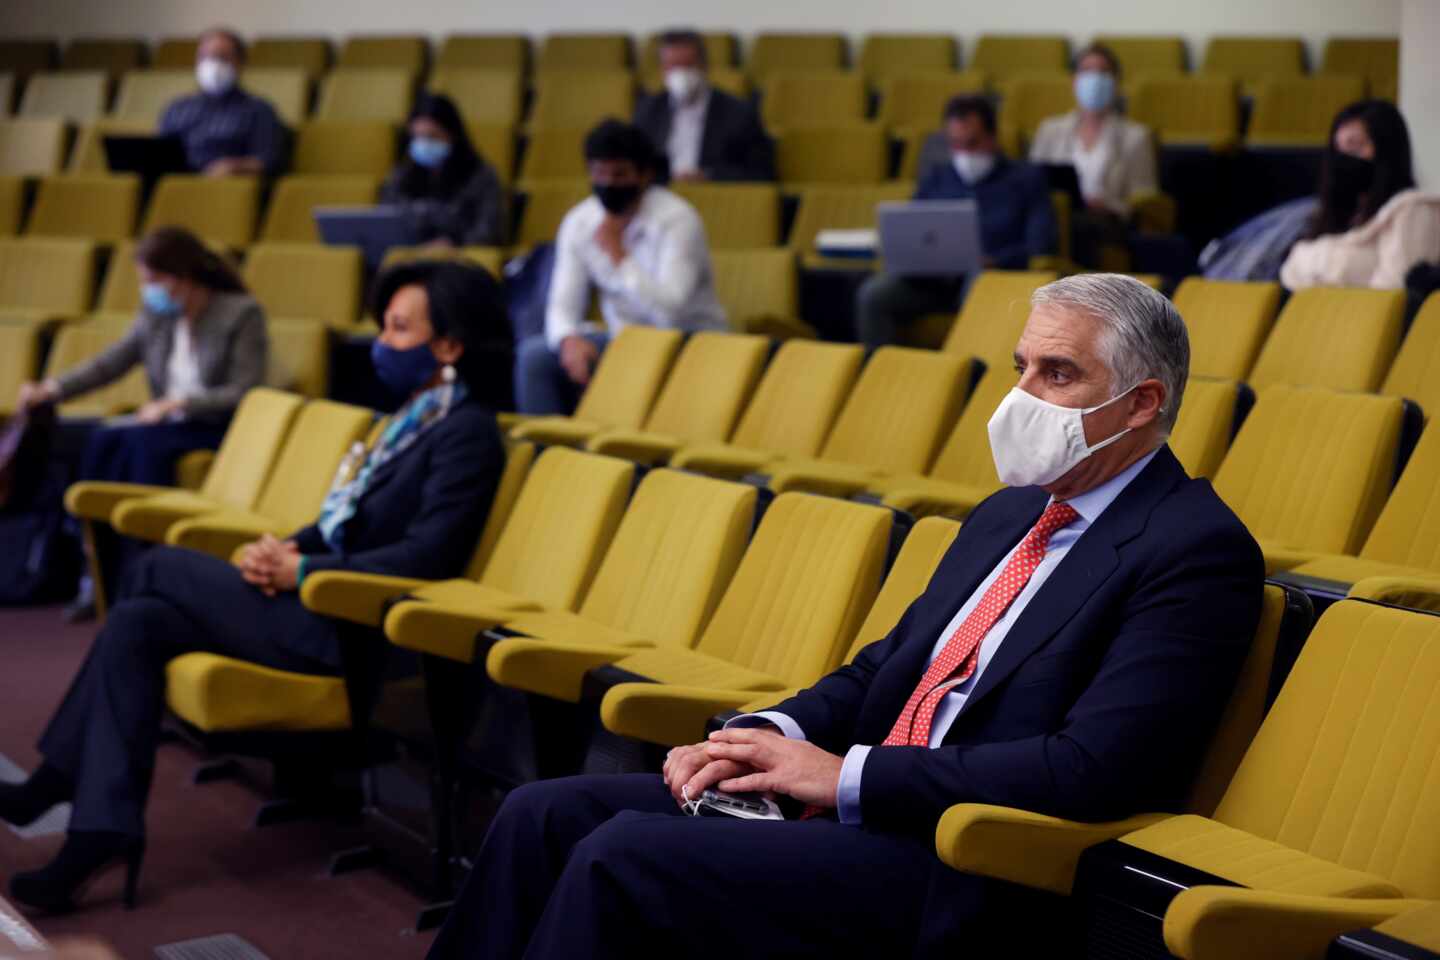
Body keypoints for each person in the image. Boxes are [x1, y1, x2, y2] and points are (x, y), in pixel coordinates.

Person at [428, 273, 1265, 959]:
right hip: (861, 813)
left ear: (1142, 402)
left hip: (959, 859)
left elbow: (1093, 769)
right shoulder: (1011, 513)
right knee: (540, 814)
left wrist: (849, 777)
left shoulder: (1195, 549)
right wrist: (764, 737)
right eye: (1019, 367)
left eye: (1056, 374)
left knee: (620, 858)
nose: (1020, 397)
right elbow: (887, 668)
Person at [0, 260, 511, 914]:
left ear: (449, 346)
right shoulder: (415, 418)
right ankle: (103, 828)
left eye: (400, 328)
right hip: (319, 603)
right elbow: (347, 521)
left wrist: (302, 572)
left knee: (154, 567)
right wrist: (291, 546)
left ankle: (54, 778)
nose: (382, 339)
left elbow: (428, 555)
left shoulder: (467, 434)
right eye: (383, 324)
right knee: (139, 623)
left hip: (353, 630)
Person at [16, 227, 267, 619]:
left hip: (217, 423)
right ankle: (95, 567)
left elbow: (246, 390)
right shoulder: (157, 314)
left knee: (141, 445)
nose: (146, 290)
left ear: (182, 276)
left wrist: (179, 402)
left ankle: (145, 564)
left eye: (152, 281)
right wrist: (54, 387)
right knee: (101, 441)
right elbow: (114, 361)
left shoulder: (240, 313)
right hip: (168, 422)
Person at [514, 119, 727, 415]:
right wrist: (568, 339)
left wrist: (620, 256)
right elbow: (562, 304)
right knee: (534, 357)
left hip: (689, 341)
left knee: (639, 358)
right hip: (623, 339)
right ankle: (544, 452)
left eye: (619, 174)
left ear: (644, 175)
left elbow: (670, 312)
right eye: (599, 173)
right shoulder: (580, 222)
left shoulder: (678, 221)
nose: (608, 184)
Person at [855, 96, 1057, 348]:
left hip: (994, 279)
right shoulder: (937, 179)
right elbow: (915, 230)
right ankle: (880, 373)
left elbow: (1041, 243)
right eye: (956, 145)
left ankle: (964, 376)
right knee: (874, 295)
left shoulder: (1026, 179)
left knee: (977, 282)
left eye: (972, 143)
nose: (964, 153)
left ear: (993, 138)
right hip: (934, 281)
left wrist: (995, 260)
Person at [1280, 100, 1440, 290]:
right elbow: (1290, 275)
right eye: (1337, 150)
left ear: (1386, 150)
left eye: (1355, 146)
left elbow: (1393, 295)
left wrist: (1316, 263)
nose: (1343, 158)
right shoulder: (1338, 214)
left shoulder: (1415, 209)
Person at [1028, 43, 1158, 267]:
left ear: (1116, 82)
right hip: (1056, 216)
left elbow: (1143, 199)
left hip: (1108, 220)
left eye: (1103, 71)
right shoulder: (1049, 130)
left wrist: (1107, 204)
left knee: (1075, 227)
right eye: (1087, 70)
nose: (1095, 78)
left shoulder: (1135, 136)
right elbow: (1031, 184)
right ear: (1074, 81)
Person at [634, 29, 775, 183]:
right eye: (673, 66)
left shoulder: (739, 113)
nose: (681, 74)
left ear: (704, 65)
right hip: (661, 193)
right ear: (663, 70)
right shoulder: (648, 110)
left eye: (688, 65)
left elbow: (761, 173)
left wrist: (708, 176)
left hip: (714, 196)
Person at [157, 27, 287, 177]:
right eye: (205, 57)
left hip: (228, 188)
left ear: (240, 63)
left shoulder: (259, 110)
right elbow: (160, 156)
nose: (212, 64)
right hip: (179, 186)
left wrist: (236, 167)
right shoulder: (176, 109)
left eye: (222, 57)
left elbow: (268, 160)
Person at [381, 93, 507, 248]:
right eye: (417, 137)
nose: (424, 144)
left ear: (453, 135)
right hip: (409, 260)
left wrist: (455, 245)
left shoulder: (481, 176)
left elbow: (490, 231)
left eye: (432, 137)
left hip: (462, 261)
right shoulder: (400, 177)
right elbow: (385, 225)